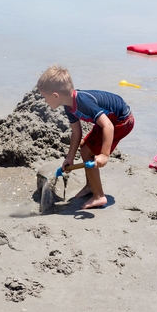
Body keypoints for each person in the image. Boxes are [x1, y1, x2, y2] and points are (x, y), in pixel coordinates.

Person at [37, 64, 134, 209]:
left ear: (56, 96)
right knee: (84, 147)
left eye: (45, 98)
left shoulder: (83, 102)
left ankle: (99, 196)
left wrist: (104, 154)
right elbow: (77, 133)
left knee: (87, 152)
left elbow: (108, 126)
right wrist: (69, 158)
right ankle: (91, 186)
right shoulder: (69, 106)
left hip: (121, 120)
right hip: (108, 121)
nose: (45, 101)